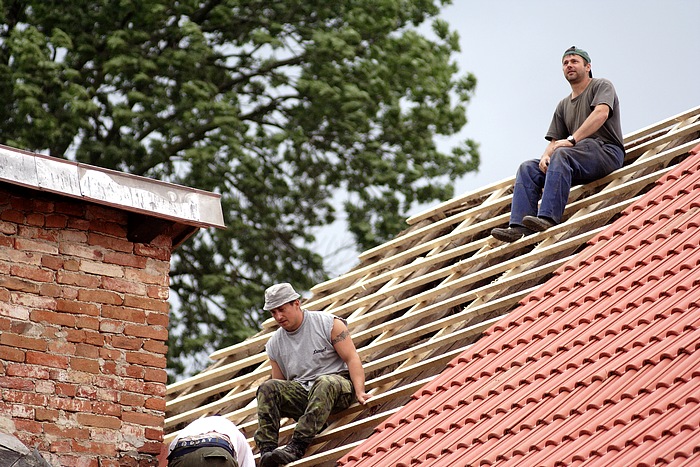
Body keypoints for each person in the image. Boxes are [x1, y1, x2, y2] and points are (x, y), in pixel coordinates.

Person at [491, 46, 625, 242]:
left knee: (562, 154)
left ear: (588, 66)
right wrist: (546, 156)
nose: (569, 65)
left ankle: (547, 218)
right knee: (528, 168)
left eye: (574, 61)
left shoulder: (601, 86)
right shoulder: (563, 105)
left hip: (606, 152)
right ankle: (519, 227)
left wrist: (572, 140)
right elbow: (554, 141)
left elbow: (601, 114)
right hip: (577, 159)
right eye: (565, 63)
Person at [255, 283, 372, 466]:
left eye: (281, 309)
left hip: (337, 388)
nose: (278, 316)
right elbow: (279, 386)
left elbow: (352, 358)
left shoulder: (328, 324)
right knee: (267, 387)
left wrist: (360, 391)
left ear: (296, 303)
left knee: (323, 382)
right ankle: (267, 452)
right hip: (306, 396)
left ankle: (297, 445)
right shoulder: (274, 344)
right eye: (273, 312)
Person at [168, 415, 255, 467]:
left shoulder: (190, 429)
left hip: (181, 454)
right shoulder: (240, 439)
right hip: (218, 454)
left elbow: (171, 454)